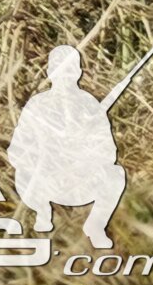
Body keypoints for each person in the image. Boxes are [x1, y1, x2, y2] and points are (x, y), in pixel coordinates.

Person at [8, 44, 126, 250]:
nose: (64, 75)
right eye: (58, 68)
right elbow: (16, 150)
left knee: (115, 175)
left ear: (78, 72)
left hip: (79, 182)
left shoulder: (89, 105)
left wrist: (82, 153)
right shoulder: (37, 105)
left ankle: (96, 225)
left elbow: (108, 153)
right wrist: (47, 155)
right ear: (49, 71)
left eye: (69, 69)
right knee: (22, 174)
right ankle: (43, 213)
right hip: (45, 182)